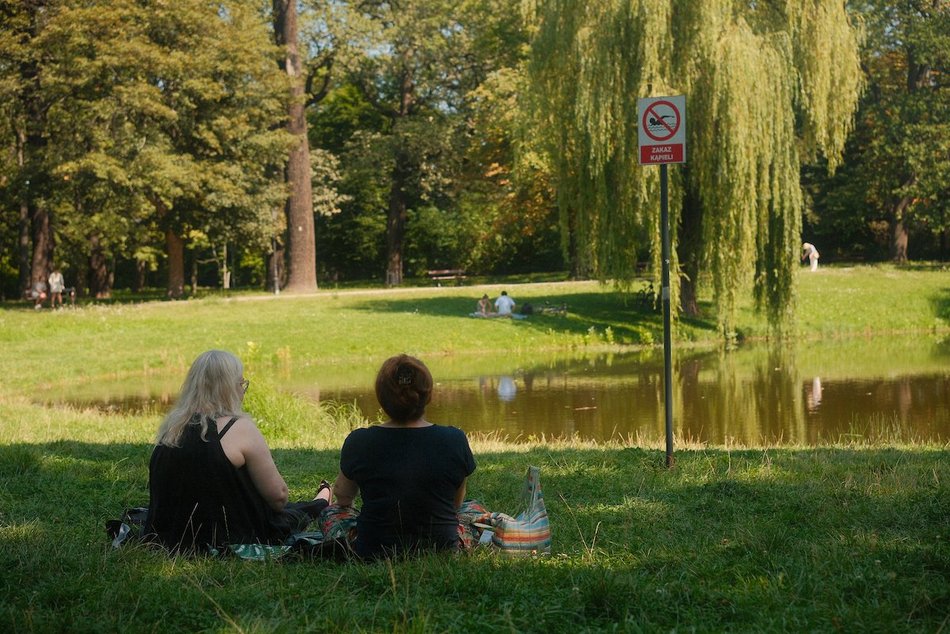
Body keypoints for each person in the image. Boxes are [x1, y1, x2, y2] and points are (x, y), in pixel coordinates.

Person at [143, 350, 330, 553]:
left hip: (171, 534)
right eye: (241, 384)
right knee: (291, 513)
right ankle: (322, 500)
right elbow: (278, 497)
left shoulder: (170, 429)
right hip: (230, 534)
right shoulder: (238, 427)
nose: (243, 391)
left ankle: (320, 498)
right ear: (228, 389)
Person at [325, 354, 477, 559]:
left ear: (381, 397)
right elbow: (455, 505)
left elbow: (343, 497)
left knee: (331, 513)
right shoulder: (454, 439)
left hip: (373, 549)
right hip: (442, 549)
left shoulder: (359, 441)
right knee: (474, 509)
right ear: (428, 395)